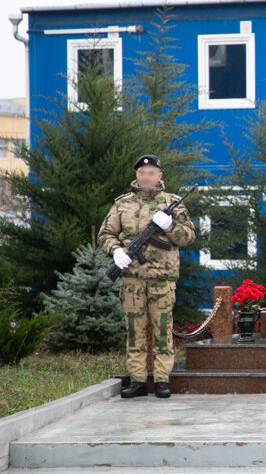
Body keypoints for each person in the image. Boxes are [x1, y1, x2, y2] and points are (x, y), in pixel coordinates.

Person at [98, 154, 196, 398]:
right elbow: (105, 234)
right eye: (142, 173)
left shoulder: (172, 203)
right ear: (137, 176)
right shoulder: (122, 204)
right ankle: (138, 380)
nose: (146, 177)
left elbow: (188, 238)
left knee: (163, 331)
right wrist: (116, 250)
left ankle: (162, 380)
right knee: (135, 330)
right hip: (132, 279)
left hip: (162, 280)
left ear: (159, 176)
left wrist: (169, 225)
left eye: (151, 173)